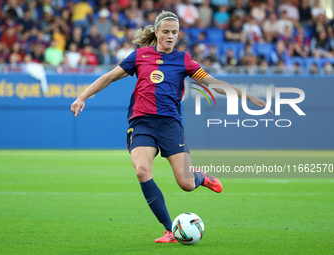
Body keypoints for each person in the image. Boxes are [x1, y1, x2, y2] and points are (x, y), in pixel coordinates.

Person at [71, 11, 270, 243]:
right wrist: (82, 96)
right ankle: (169, 230)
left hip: (170, 125)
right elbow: (108, 77)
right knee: (142, 171)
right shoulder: (139, 56)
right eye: (165, 32)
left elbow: (212, 83)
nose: (170, 36)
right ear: (156, 33)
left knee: (186, 184)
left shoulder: (183, 60)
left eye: (174, 32)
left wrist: (247, 97)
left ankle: (200, 177)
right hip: (141, 123)